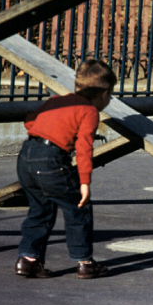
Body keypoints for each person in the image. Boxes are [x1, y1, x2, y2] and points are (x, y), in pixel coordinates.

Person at [15, 58, 116, 279]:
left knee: (39, 210)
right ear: (104, 94)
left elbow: (30, 121)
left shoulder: (56, 100)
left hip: (26, 156)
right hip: (52, 160)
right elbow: (84, 148)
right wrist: (85, 182)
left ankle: (28, 260)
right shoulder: (89, 111)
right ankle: (85, 262)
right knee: (78, 209)